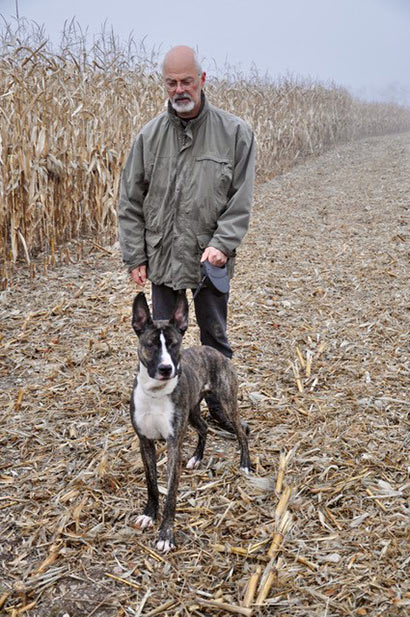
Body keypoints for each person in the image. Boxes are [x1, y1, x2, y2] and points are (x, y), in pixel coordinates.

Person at [118, 45, 255, 361]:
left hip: (210, 260)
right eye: (172, 83)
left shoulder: (235, 133)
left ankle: (221, 395)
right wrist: (135, 256)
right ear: (164, 84)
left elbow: (241, 199)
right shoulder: (148, 137)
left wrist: (222, 244)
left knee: (215, 343)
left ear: (202, 79)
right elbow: (130, 200)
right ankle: (174, 396)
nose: (179, 89)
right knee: (162, 345)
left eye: (186, 81)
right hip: (163, 257)